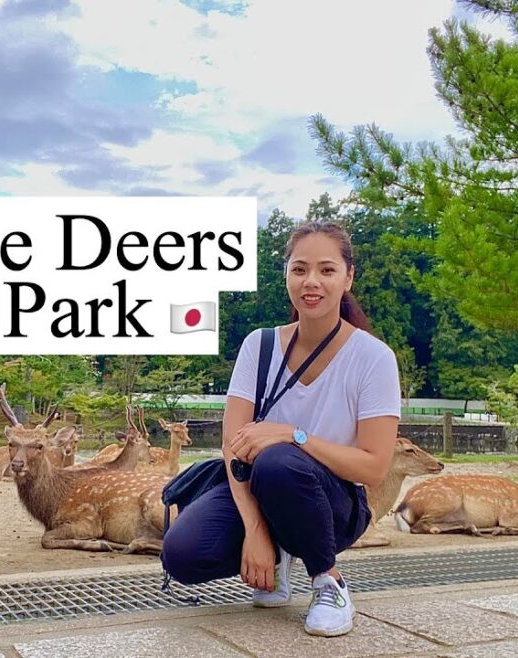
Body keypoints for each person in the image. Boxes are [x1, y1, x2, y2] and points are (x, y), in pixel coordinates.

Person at [160, 221, 401, 637]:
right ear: (286, 275)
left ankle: (328, 581)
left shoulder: (373, 358)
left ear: (348, 277)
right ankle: (277, 556)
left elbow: (374, 468)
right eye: (299, 269)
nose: (312, 282)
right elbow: (234, 449)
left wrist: (294, 435)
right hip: (257, 489)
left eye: (327, 270)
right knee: (182, 555)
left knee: (278, 460)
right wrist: (255, 532)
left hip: (334, 504)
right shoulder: (260, 345)